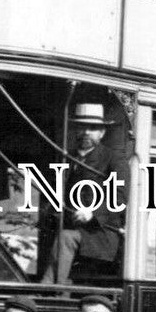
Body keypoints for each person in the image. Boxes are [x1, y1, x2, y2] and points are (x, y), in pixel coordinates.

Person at [40, 103, 125, 284]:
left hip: (101, 233)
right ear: (74, 131)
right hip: (73, 227)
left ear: (102, 133)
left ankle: (54, 292)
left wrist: (92, 213)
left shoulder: (113, 159)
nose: (86, 132)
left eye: (93, 128)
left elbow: (120, 196)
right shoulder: (66, 157)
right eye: (81, 127)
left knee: (65, 238)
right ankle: (46, 289)